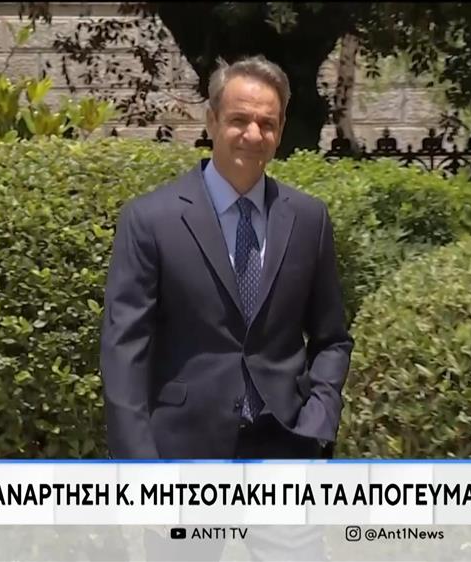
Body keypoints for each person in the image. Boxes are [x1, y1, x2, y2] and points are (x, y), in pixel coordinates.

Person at [100, 54, 354, 461]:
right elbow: (124, 353)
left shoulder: (308, 219)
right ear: (212, 120)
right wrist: (139, 467)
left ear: (280, 131)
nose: (253, 134)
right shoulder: (150, 220)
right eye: (239, 120)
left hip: (287, 451)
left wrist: (318, 421)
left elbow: (332, 339)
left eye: (267, 123)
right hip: (182, 453)